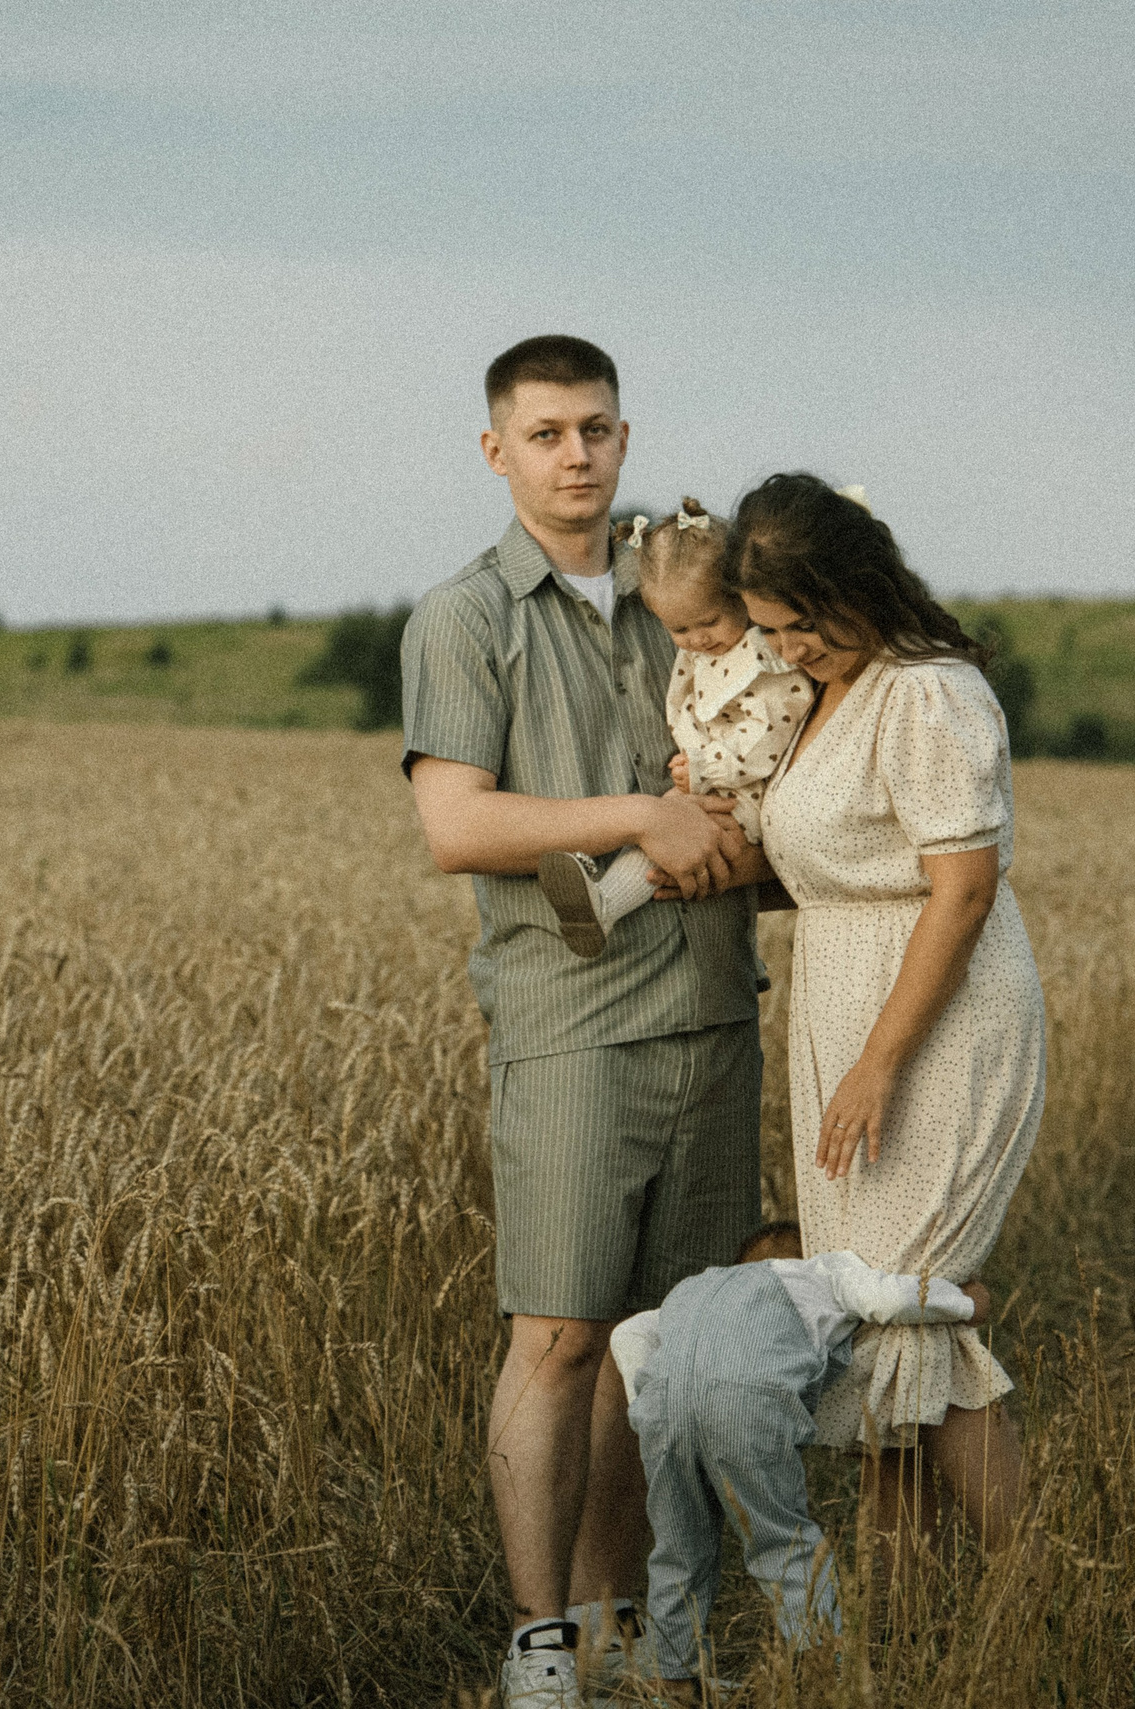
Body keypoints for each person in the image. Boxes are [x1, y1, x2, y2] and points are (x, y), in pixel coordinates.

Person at [399, 336, 767, 1709]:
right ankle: (541, 1644)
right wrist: (640, 817)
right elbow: (456, 825)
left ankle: (632, 1634)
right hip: (570, 1028)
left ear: (626, 436)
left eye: (598, 428)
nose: (578, 454)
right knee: (556, 1337)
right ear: (497, 451)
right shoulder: (464, 617)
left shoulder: (693, 598)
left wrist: (741, 843)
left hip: (715, 1015)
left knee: (658, 1351)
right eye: (547, 432)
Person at [734, 472, 1046, 1597]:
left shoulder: (926, 692)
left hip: (929, 1028)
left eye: (799, 624)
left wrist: (878, 1061)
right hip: (843, 1009)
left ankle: (1033, 1590)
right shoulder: (836, 686)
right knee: (880, 1324)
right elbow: (833, 866)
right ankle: (902, 1603)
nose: (786, 648)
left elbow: (959, 890)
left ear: (857, 588)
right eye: (768, 629)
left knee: (905, 1307)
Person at [608, 1222, 985, 1695]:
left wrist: (643, 1403)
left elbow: (626, 1334)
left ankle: (673, 1679)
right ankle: (830, 1671)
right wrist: (966, 1303)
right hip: (747, 1403)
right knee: (780, 1540)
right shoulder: (827, 1271)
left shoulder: (695, 1287)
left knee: (678, 1546)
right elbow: (889, 1300)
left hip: (663, 1407)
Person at [536, 498, 813, 958]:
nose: (698, 639)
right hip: (713, 781)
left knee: (688, 839)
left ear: (740, 598)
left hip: (755, 790)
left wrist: (705, 765)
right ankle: (603, 901)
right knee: (667, 826)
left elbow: (770, 734)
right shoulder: (702, 652)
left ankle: (606, 902)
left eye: (709, 621)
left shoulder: (767, 660)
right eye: (679, 629)